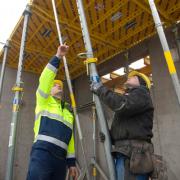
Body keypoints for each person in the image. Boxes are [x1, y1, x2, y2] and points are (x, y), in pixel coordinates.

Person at [27, 44, 79, 180]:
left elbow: (71, 138)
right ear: (49, 89)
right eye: (54, 84)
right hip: (42, 153)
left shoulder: (67, 110)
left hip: (60, 159)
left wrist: (71, 162)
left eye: (60, 85)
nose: (58, 86)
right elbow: (45, 79)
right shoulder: (43, 100)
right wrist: (58, 57)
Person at [91, 71, 154, 180]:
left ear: (142, 83)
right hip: (125, 152)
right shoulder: (132, 99)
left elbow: (122, 105)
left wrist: (100, 89)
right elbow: (126, 128)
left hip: (134, 154)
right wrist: (109, 136)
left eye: (133, 76)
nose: (128, 77)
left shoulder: (142, 93)